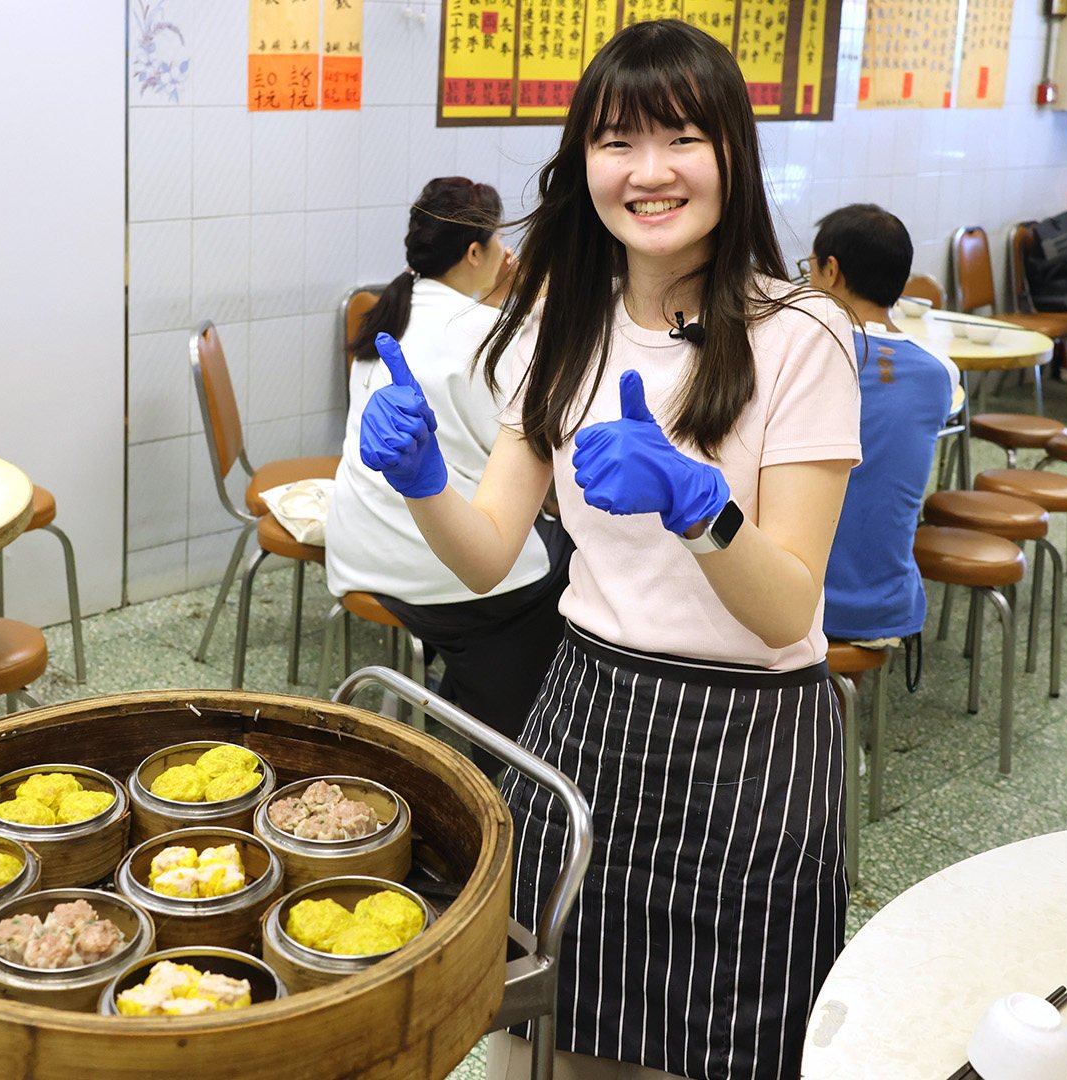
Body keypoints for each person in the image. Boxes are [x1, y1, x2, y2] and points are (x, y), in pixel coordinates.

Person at [359, 20, 859, 1080]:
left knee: (724, 1048)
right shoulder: (557, 328)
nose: (649, 171)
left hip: (751, 749)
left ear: (733, 152)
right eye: (616, 141)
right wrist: (421, 482)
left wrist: (701, 509)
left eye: (681, 138)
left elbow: (788, 610)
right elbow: (488, 554)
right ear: (582, 162)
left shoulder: (803, 333)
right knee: (554, 1034)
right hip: (589, 716)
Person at [326, 177, 572, 746]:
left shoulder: (389, 313)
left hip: (359, 547)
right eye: (499, 240)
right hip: (441, 573)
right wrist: (530, 307)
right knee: (568, 556)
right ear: (476, 253)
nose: (509, 255)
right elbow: (534, 471)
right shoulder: (488, 336)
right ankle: (520, 732)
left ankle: (466, 691)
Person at [809, 204, 959, 644]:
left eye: (810, 268)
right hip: (890, 605)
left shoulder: (804, 352)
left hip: (800, 603)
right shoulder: (940, 373)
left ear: (831, 271)